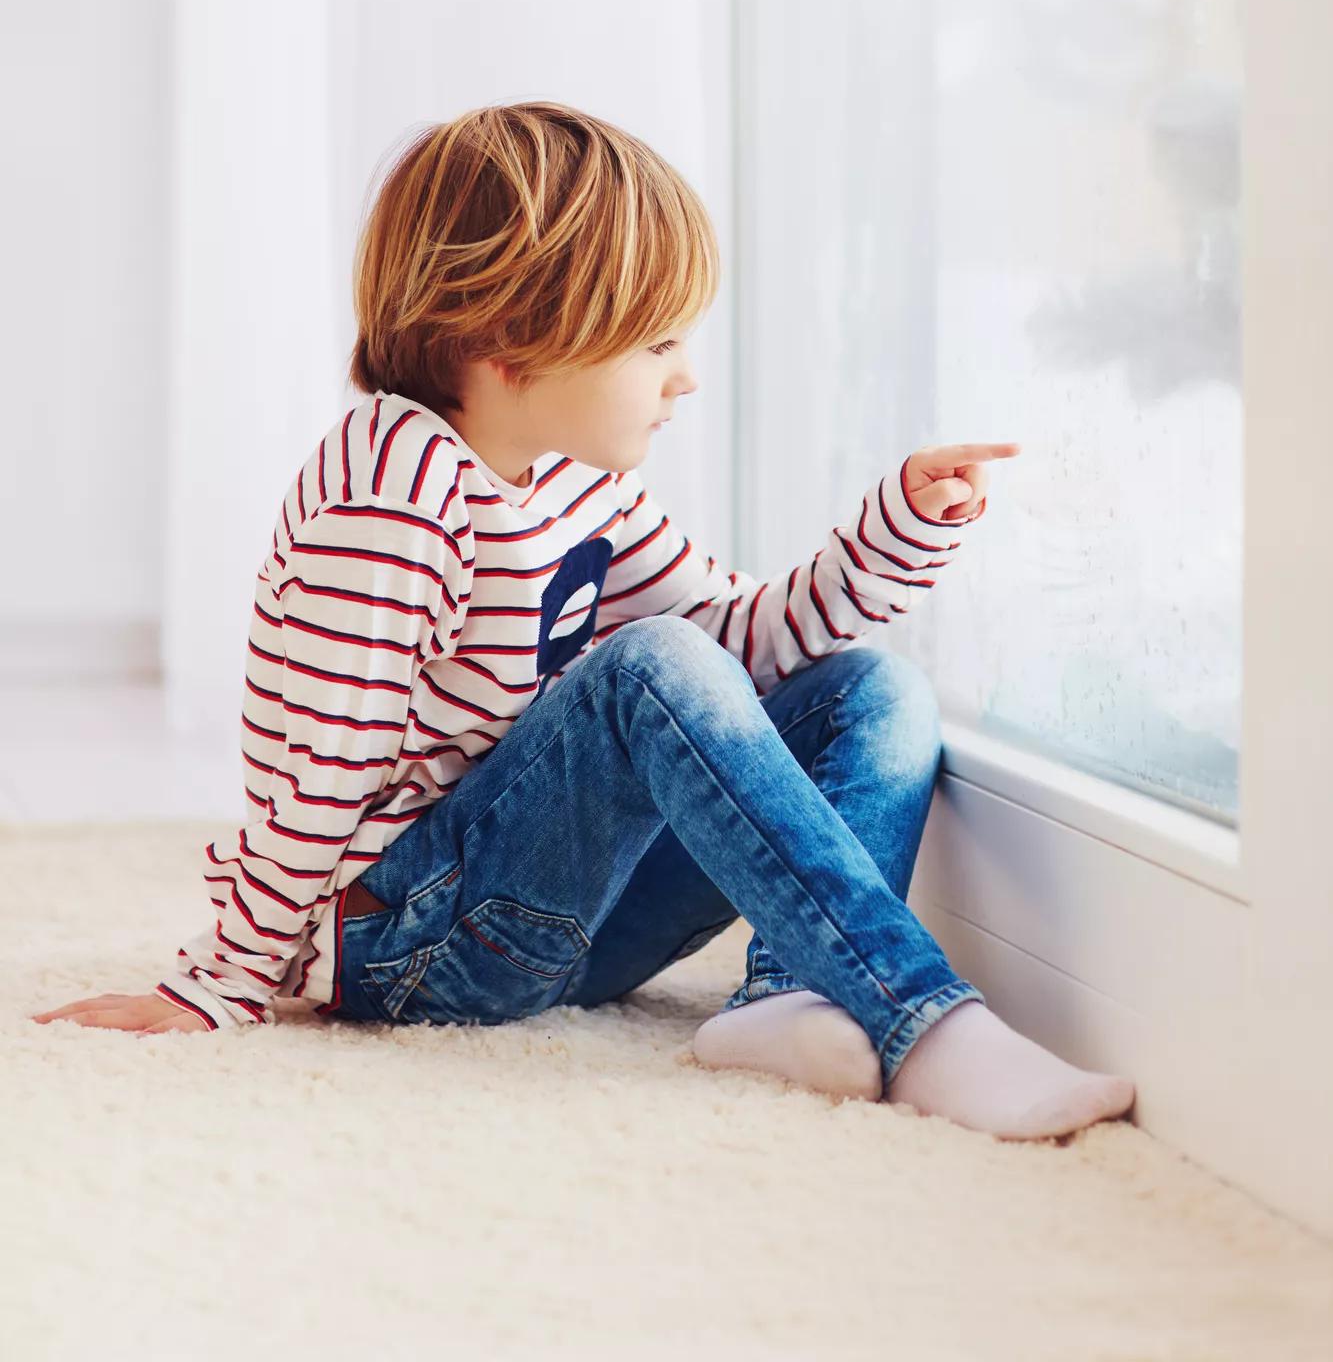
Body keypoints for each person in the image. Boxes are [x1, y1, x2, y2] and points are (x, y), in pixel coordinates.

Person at [32, 100, 1135, 1141]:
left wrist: (892, 531)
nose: (686, 377)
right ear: (512, 343)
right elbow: (324, 763)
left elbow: (741, 645)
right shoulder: (389, 492)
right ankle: (925, 1017)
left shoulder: (574, 481)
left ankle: (790, 1001)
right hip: (404, 936)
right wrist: (220, 979)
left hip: (555, 913)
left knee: (869, 687)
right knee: (650, 661)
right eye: (656, 344)